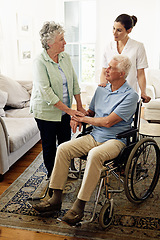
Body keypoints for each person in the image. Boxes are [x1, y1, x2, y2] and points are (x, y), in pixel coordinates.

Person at [32, 55, 139, 225]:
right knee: (63, 148)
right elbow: (92, 113)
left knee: (95, 155)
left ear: (122, 73)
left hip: (115, 140)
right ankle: (55, 199)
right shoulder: (102, 89)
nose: (107, 70)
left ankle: (79, 207)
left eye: (111, 68)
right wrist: (77, 116)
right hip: (94, 135)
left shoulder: (131, 96)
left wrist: (84, 120)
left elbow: (108, 122)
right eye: (107, 67)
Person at [30, 21, 86, 178]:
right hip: (46, 112)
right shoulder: (39, 62)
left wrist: (79, 107)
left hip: (64, 110)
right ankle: (52, 175)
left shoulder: (64, 57)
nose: (65, 42)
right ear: (49, 43)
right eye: (61, 39)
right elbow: (46, 92)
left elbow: (74, 81)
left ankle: (68, 169)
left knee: (66, 142)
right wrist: (70, 111)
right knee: (49, 146)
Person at [100, 14, 151, 103]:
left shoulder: (138, 47)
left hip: (129, 94)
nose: (114, 33)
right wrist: (103, 88)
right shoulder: (108, 47)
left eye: (119, 30)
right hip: (111, 94)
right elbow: (104, 71)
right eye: (113, 28)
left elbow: (140, 74)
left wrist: (143, 92)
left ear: (129, 30)